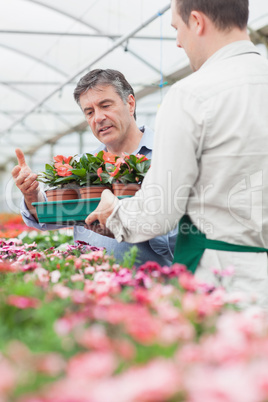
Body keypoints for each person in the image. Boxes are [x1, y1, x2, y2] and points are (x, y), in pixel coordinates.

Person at [86, 0, 268, 308]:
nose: (178, 41)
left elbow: (159, 212)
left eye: (176, 28)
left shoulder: (192, 95)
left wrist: (113, 212)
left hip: (223, 282)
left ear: (197, 22)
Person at [12, 69, 177, 266]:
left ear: (130, 103)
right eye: (89, 112)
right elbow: (51, 216)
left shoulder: (168, 155)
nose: (98, 118)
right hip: (89, 288)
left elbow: (184, 240)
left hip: (147, 290)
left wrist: (127, 222)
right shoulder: (81, 166)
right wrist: (32, 196)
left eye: (105, 105)